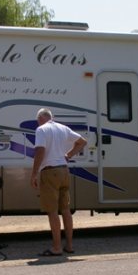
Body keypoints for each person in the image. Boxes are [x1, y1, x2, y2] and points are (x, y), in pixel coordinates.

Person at [30, 108, 88, 256]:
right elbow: (82, 142)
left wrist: (34, 173)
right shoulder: (63, 128)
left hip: (50, 172)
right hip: (64, 170)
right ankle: (69, 245)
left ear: (40, 118)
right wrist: (68, 155)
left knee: (52, 211)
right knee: (66, 210)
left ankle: (56, 247)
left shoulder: (41, 129)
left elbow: (40, 152)